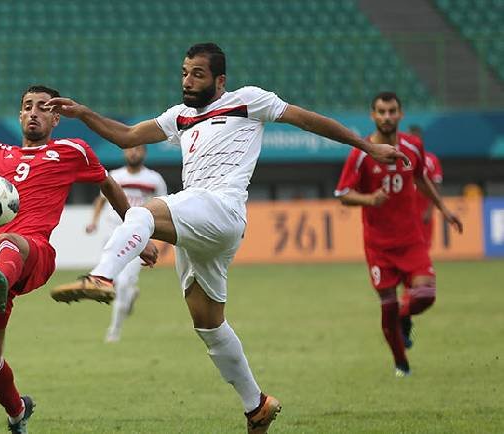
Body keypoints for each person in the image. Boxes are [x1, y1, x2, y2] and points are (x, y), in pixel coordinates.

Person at [47, 42, 409, 433]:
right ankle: (257, 405)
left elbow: (308, 120)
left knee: (144, 211)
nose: (187, 80)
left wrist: (368, 147)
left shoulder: (248, 100)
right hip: (202, 227)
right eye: (185, 72)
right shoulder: (180, 116)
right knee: (208, 324)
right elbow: (127, 135)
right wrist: (82, 113)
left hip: (222, 208)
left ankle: (102, 275)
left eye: (197, 74)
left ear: (220, 80)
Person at [0, 59, 156, 434]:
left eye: (45, 108)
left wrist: (140, 234)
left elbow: (109, 185)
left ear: (56, 121)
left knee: (9, 240)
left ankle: (1, 277)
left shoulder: (72, 151)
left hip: (32, 252)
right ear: (20, 115)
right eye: (29, 106)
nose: (35, 113)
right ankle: (18, 411)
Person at [334, 92, 462, 378]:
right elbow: (342, 193)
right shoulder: (361, 153)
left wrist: (444, 208)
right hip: (379, 246)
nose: (387, 116)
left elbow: (420, 178)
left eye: (392, 111)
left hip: (411, 239)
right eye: (381, 111)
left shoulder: (413, 147)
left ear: (400, 114)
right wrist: (369, 200)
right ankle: (401, 364)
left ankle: (406, 316)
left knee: (426, 294)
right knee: (387, 309)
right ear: (373, 115)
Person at [85, 145, 167, 342]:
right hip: (113, 235)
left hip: (137, 238)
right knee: (113, 280)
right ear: (124, 152)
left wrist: (165, 240)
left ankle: (114, 330)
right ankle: (129, 297)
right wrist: (93, 221)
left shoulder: (154, 179)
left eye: (138, 149)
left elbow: (164, 206)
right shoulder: (115, 176)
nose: (134, 152)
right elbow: (101, 200)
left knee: (120, 284)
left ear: (144, 153)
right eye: (130, 149)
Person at [408, 125, 444, 249]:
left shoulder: (431, 159)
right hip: (405, 211)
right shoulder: (401, 158)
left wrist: (430, 210)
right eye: (411, 138)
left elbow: (436, 185)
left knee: (423, 247)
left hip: (423, 211)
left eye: (416, 138)